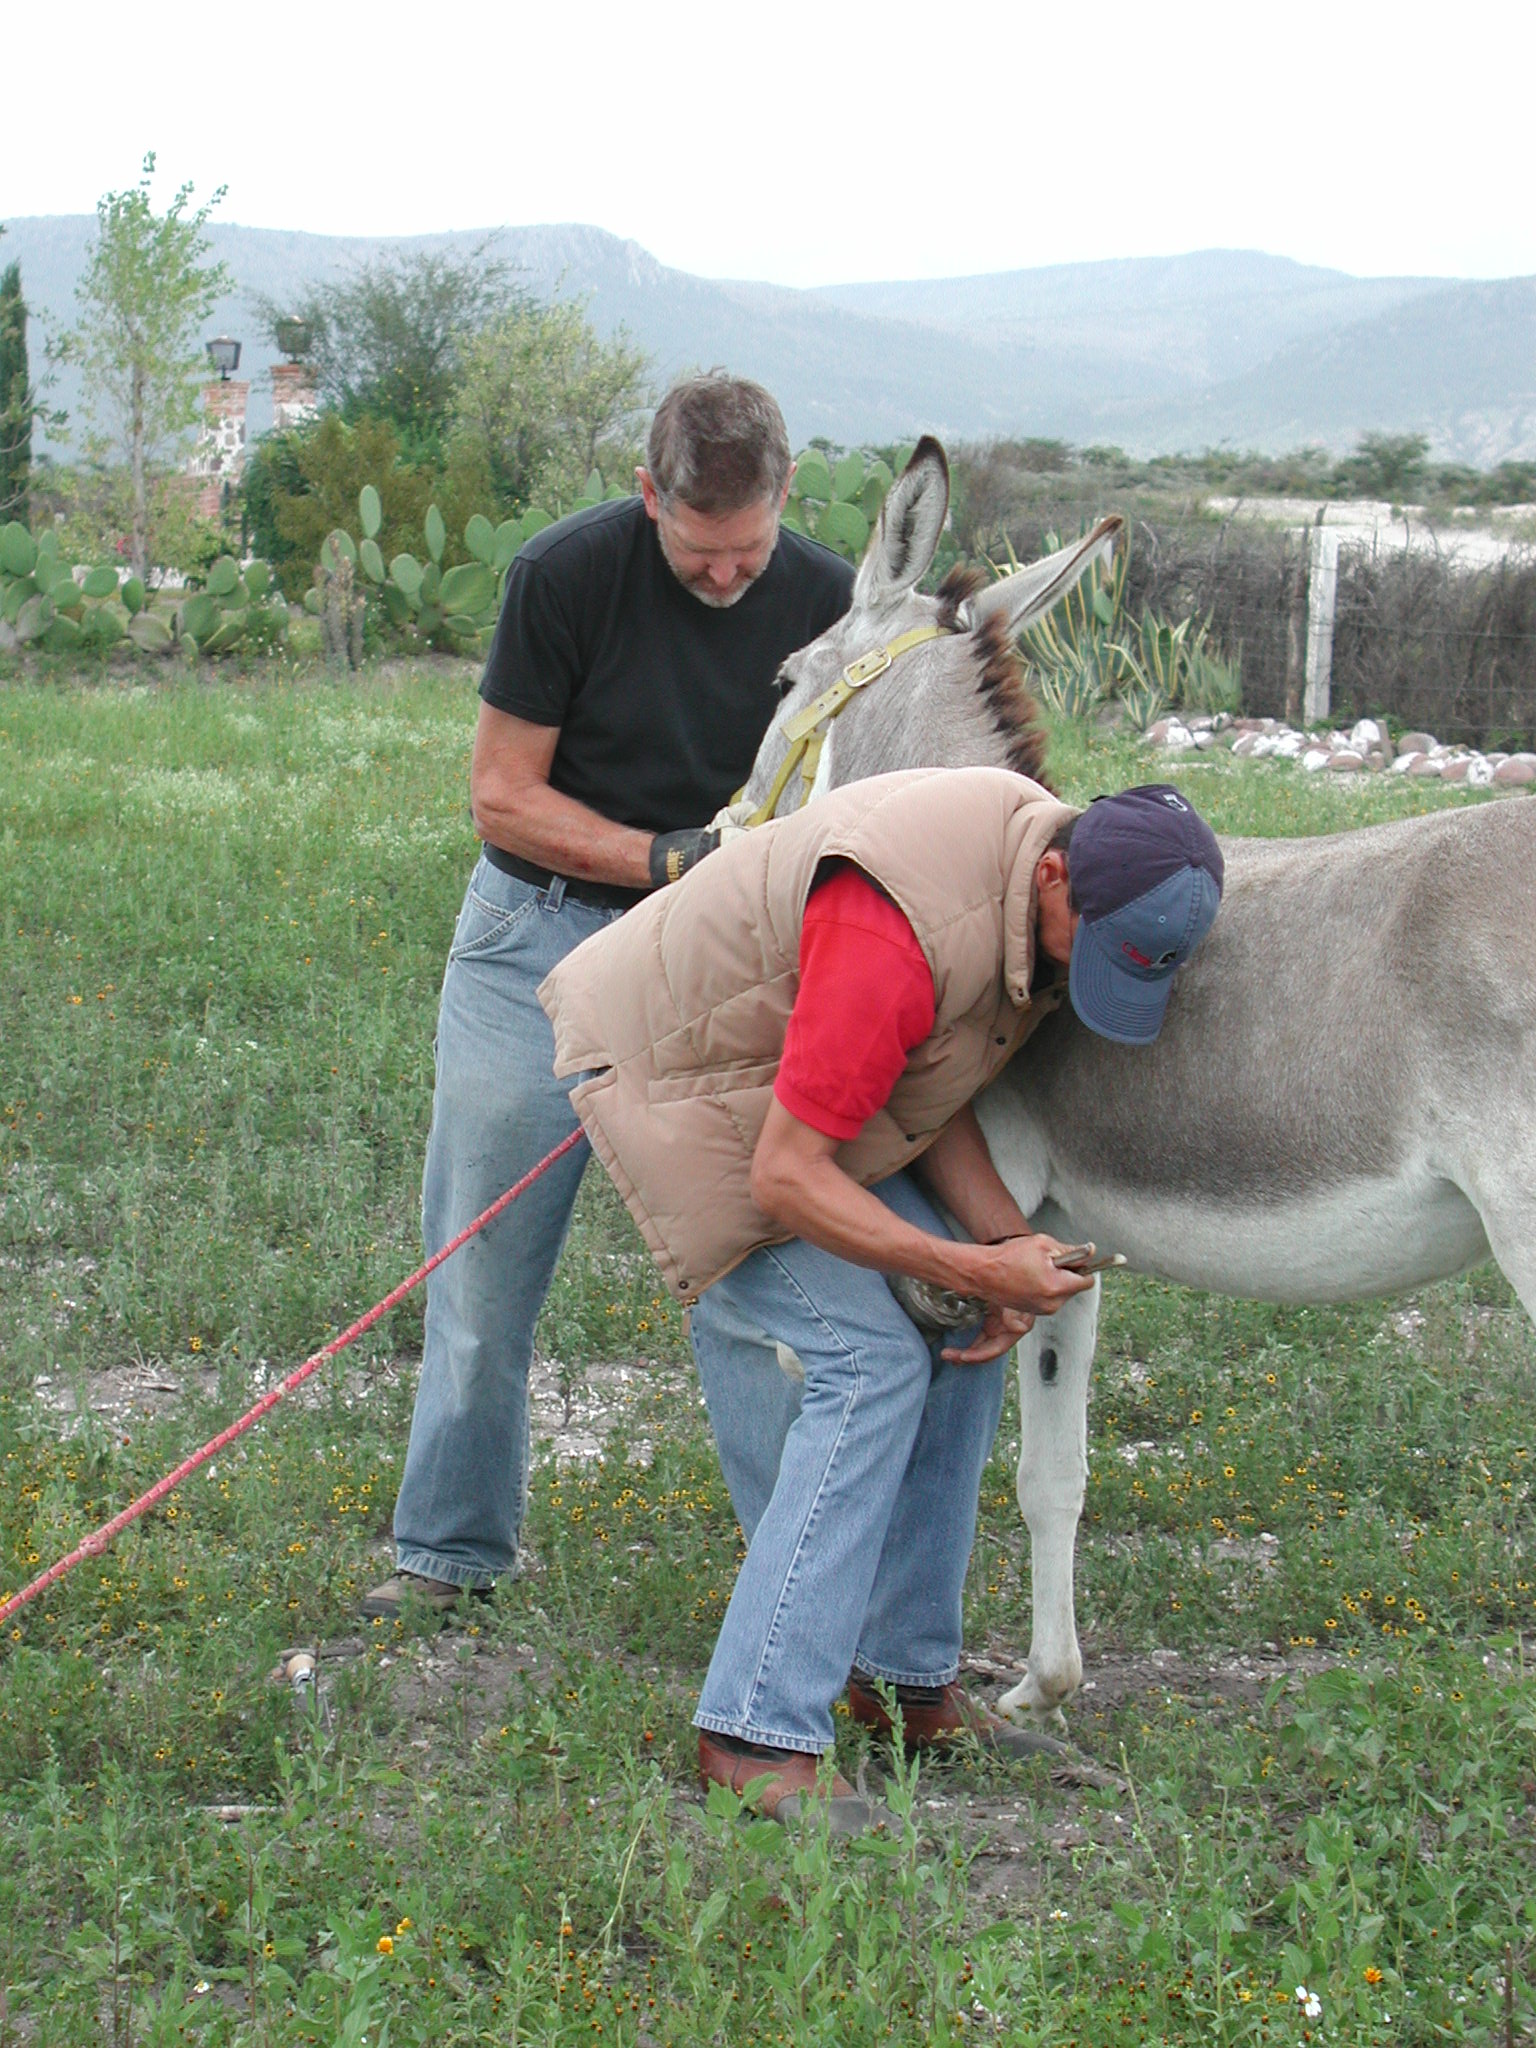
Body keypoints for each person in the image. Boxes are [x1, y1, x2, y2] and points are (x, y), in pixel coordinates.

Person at [540, 771, 1223, 1830]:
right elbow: (786, 1176)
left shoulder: (1020, 886)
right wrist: (973, 1267)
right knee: (871, 1361)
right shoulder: (895, 927)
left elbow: (917, 1078)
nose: (1078, 976)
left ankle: (901, 1683)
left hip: (792, 1074)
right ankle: (752, 1730)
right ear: (1054, 874)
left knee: (959, 1326)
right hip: (678, 1076)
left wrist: (1000, 1246)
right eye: (1090, 949)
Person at [364, 374, 854, 1619]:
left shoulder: (830, 596)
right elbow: (500, 794)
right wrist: (666, 858)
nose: (728, 576)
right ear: (648, 494)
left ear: (786, 496)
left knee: (753, 1278)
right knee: (482, 1265)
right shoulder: (564, 573)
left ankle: (796, 1591)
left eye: (748, 550)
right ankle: (448, 1554)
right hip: (539, 936)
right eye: (699, 551)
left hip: (723, 959)